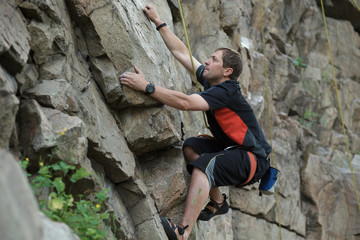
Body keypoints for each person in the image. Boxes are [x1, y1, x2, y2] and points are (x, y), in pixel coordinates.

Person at [119, 4, 272, 240]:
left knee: (204, 166)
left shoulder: (227, 92)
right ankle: (218, 202)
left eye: (213, 59)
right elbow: (182, 54)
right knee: (192, 147)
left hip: (253, 159)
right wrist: (159, 22)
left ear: (227, 71)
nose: (207, 62)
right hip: (237, 150)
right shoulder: (214, 82)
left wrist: (147, 87)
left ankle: (183, 232)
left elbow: (186, 103)